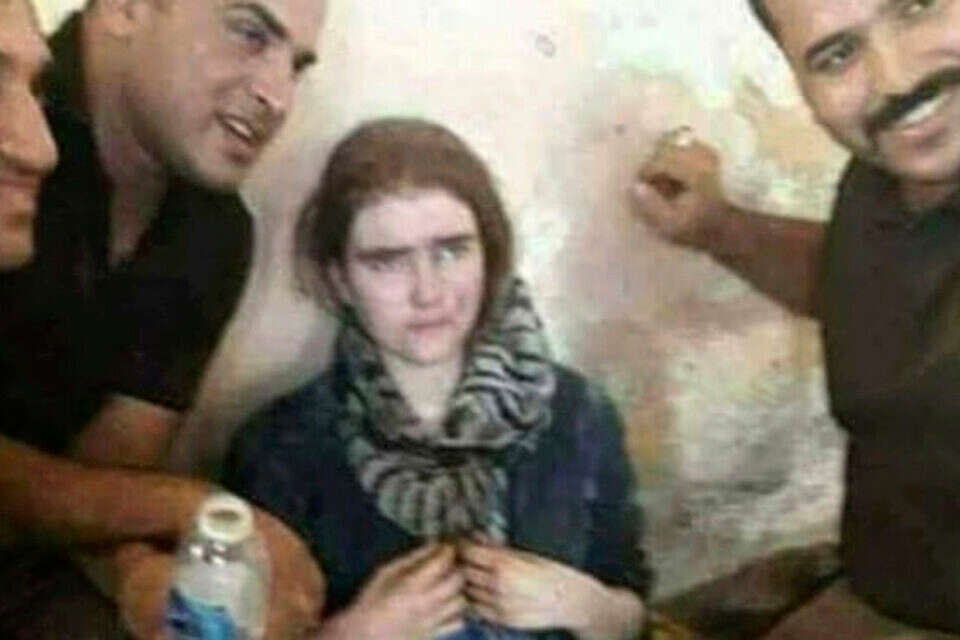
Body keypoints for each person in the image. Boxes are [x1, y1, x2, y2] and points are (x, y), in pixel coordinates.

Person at [226, 118, 652, 640]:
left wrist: (590, 608)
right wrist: (354, 635)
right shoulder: (278, 449)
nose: (428, 292)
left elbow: (633, 606)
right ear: (340, 280)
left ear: (488, 255)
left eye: (451, 250)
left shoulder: (580, 413)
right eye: (387, 262)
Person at [0, 1, 328, 638]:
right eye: (249, 32)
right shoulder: (17, 145)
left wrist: (141, 575)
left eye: (298, 66)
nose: (280, 98)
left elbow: (106, 481)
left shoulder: (214, 230)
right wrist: (196, 507)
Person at [633, 0, 960, 636]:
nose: (894, 78)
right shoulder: (888, 177)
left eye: (916, 7)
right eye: (837, 55)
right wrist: (718, 228)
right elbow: (870, 282)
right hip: (879, 588)